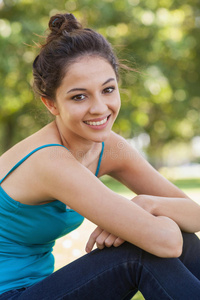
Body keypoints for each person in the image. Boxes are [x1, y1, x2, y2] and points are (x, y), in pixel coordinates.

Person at [0, 12, 200, 300]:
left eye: (108, 90)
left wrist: (147, 204)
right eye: (79, 96)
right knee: (138, 255)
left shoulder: (109, 147)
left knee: (183, 239)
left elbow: (194, 217)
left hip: (37, 288)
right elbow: (166, 243)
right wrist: (149, 220)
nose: (99, 108)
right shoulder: (49, 161)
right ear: (51, 103)